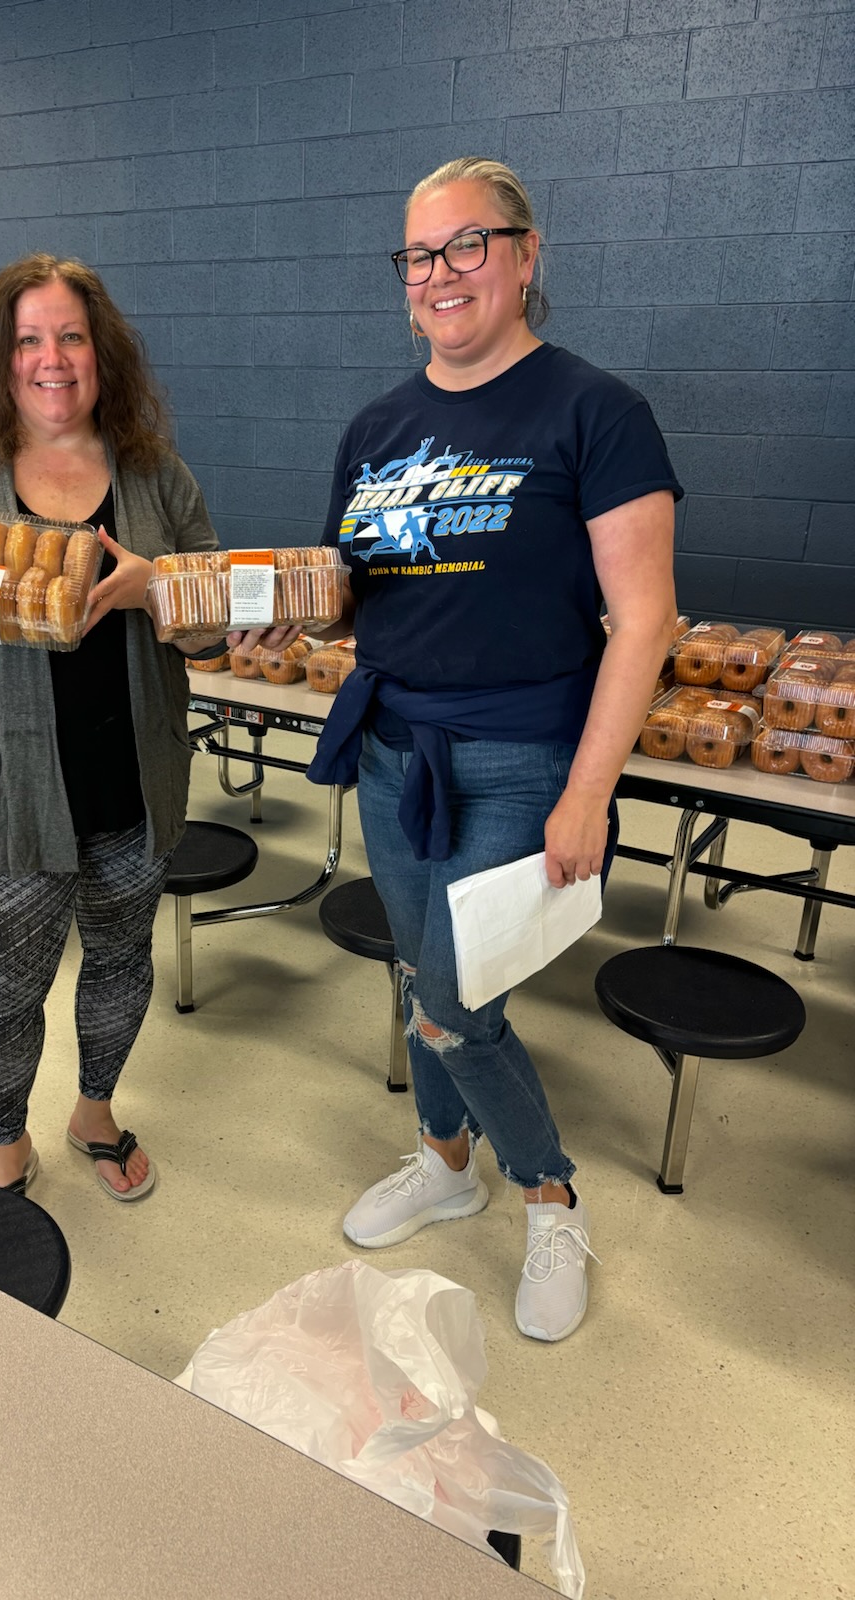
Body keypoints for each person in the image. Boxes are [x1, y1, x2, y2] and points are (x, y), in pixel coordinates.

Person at [303, 157, 682, 1341]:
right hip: (392, 749)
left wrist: (589, 791)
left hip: (522, 759)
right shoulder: (377, 426)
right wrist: (293, 598)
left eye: (470, 244)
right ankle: (443, 1157)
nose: (442, 273)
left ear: (526, 255)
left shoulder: (595, 412)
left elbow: (646, 621)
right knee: (423, 982)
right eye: (420, 255)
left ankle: (549, 1190)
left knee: (460, 1007)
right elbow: (351, 596)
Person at [0, 254, 228, 1201]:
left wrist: (160, 586)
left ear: (101, 352)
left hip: (135, 783)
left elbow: (212, 624)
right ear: (2, 357)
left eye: (70, 336)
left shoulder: (155, 476)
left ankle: (95, 1111)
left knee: (119, 960)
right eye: (29, 339)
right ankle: (5, 1139)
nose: (51, 359)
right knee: (2, 992)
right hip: (15, 793)